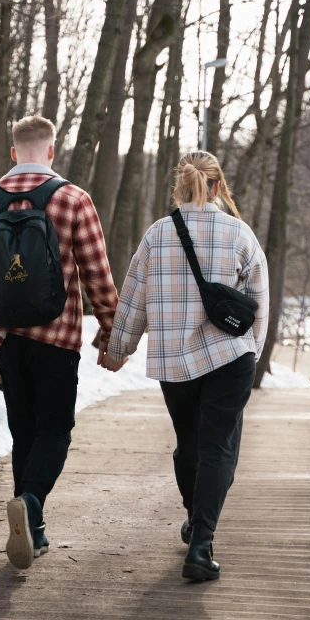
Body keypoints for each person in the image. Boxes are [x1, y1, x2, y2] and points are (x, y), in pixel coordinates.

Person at [0, 115, 118, 570]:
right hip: (58, 339)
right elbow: (97, 277)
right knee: (55, 432)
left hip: (6, 339)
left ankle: (33, 532)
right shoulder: (73, 200)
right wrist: (110, 334)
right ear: (51, 151)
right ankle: (30, 502)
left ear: (14, 153)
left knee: (24, 433)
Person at [102, 151, 269, 581]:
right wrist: (253, 351)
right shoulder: (239, 233)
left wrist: (119, 348)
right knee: (218, 450)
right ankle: (201, 544)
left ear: (180, 185)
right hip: (230, 357)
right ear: (218, 186)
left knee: (189, 444)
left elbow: (133, 296)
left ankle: (195, 520)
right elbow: (259, 303)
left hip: (174, 361)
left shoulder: (157, 235)